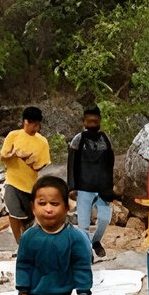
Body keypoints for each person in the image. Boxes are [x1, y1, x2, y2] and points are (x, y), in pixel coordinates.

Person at [66, 105, 114, 261]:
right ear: (84, 122)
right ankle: (87, 252)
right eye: (89, 121)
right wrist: (72, 187)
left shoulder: (106, 139)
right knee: (83, 225)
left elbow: (110, 164)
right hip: (84, 188)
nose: (92, 124)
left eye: (95, 121)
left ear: (99, 121)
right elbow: (71, 164)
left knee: (105, 219)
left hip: (102, 188)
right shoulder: (78, 140)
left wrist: (110, 187)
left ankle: (96, 241)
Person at [0, 106, 51, 239]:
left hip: (29, 186)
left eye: (37, 125)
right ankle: (19, 243)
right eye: (32, 124)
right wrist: (13, 155)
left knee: (28, 219)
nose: (35, 127)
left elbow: (41, 165)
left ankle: (28, 240)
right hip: (12, 181)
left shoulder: (42, 142)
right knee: (14, 212)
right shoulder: (13, 135)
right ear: (24, 121)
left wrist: (29, 161)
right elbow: (3, 156)